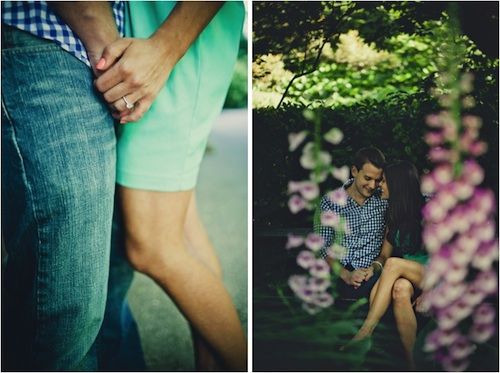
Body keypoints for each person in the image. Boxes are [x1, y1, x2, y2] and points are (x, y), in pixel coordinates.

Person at [91, 2, 247, 370]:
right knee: (183, 240)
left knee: (153, 247)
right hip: (169, 42)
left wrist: (164, 47)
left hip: (171, 44)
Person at [1, 1, 144, 370]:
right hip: (49, 36)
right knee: (65, 317)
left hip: (119, 54)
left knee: (109, 280)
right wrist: (109, 48)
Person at [348, 160, 427, 370]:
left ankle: (365, 333)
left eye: (383, 180)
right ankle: (413, 365)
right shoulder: (394, 216)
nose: (378, 185)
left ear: (397, 183)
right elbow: (384, 256)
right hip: (408, 276)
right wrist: (372, 268)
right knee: (399, 290)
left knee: (394, 265)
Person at [317, 147, 389, 300]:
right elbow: (323, 249)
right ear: (355, 171)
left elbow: (385, 252)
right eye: (368, 178)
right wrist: (347, 275)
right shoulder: (330, 202)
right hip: (337, 272)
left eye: (377, 180)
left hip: (371, 275)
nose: (372, 185)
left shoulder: (384, 201)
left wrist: (374, 267)